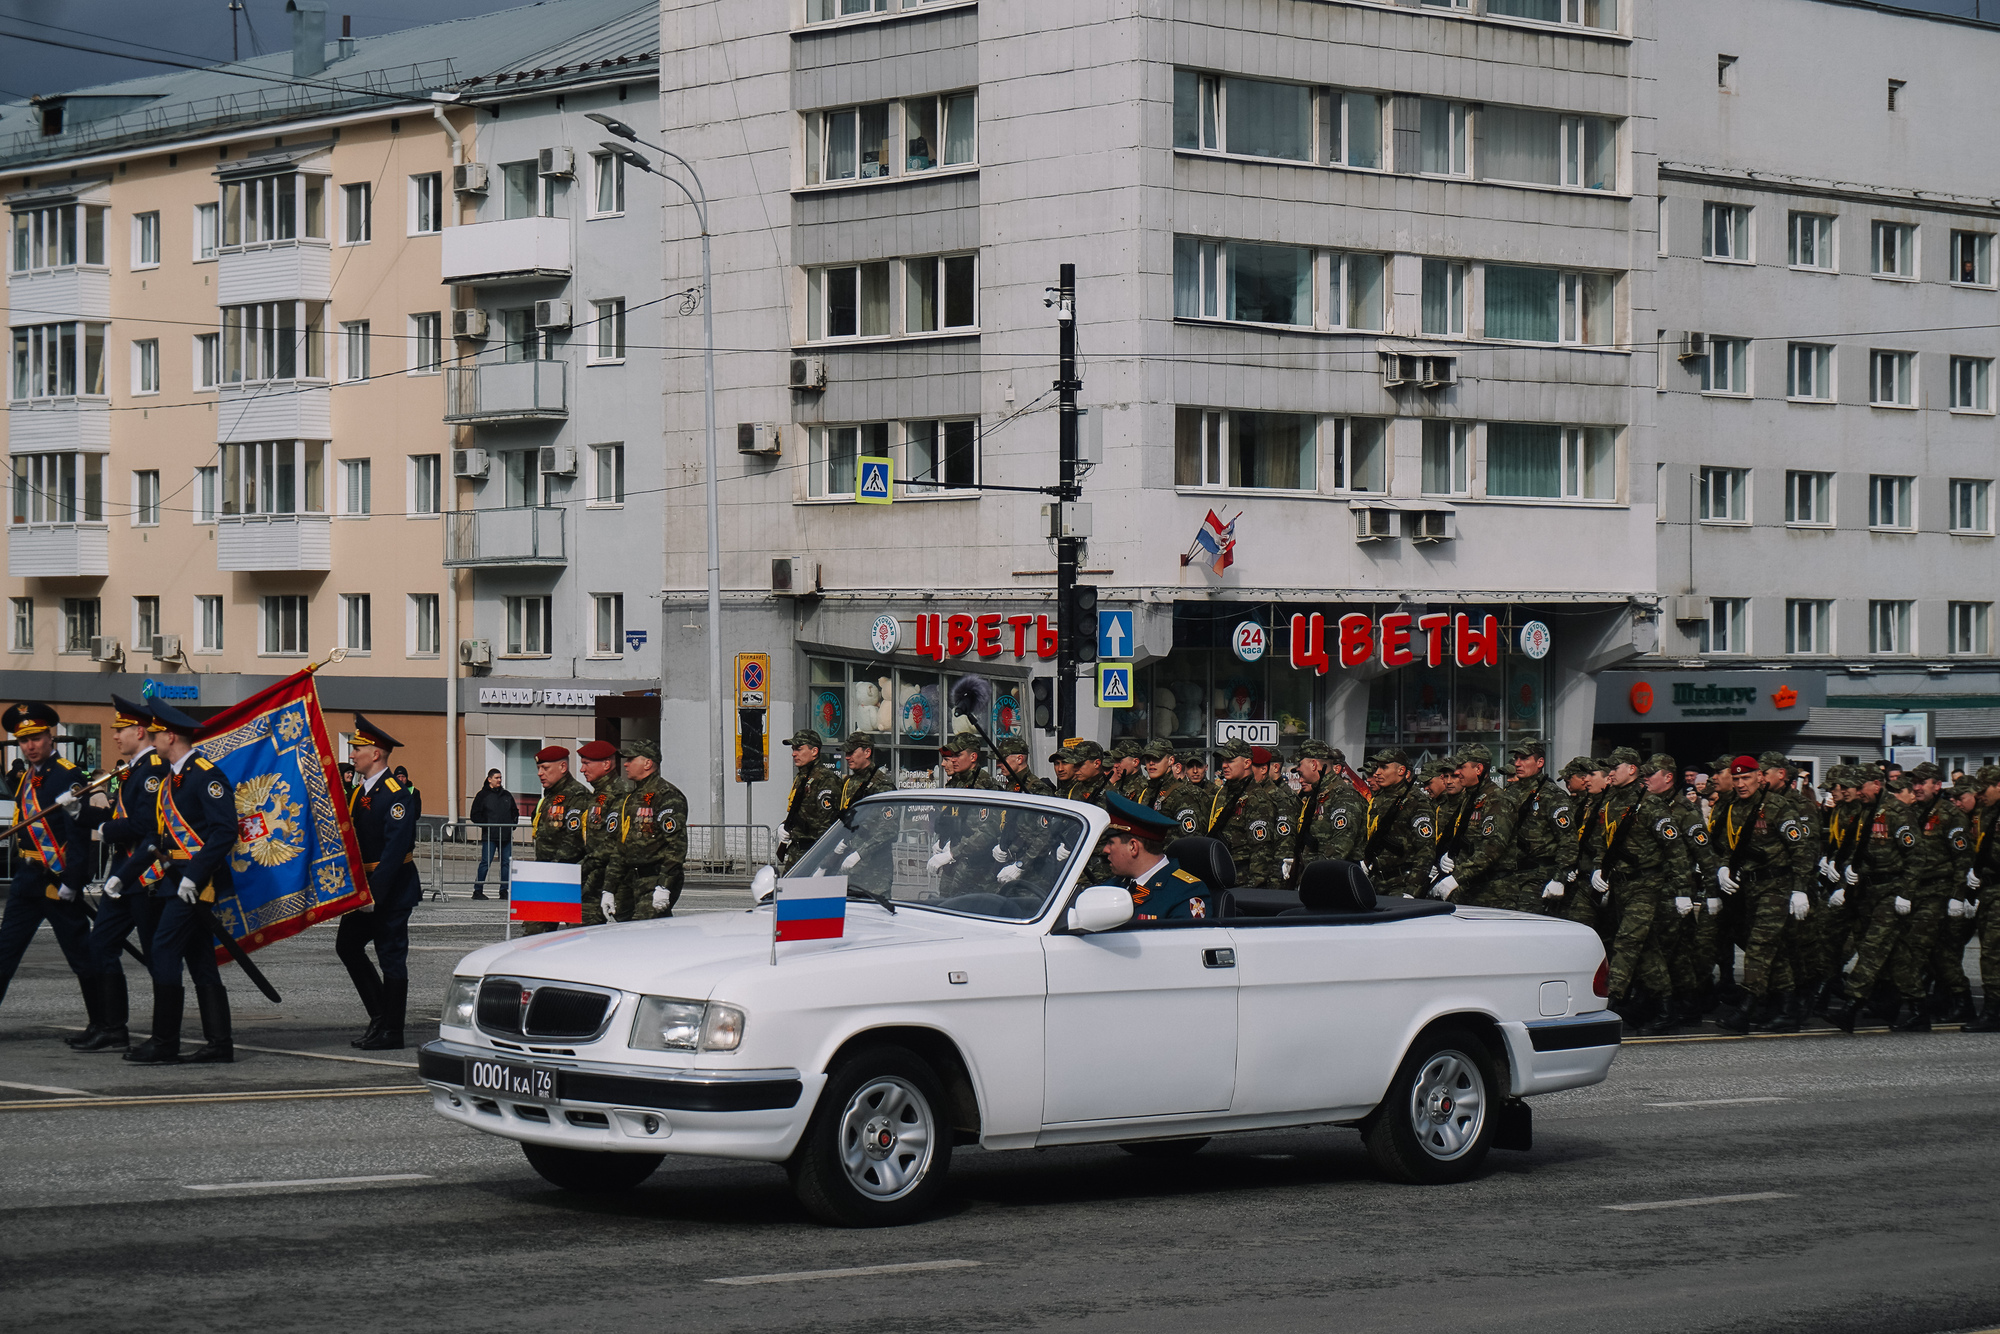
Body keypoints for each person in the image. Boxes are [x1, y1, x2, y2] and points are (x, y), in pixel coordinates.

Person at [112, 698, 236, 1065]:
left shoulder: (205, 774)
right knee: (200, 960)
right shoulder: (172, 779)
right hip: (174, 879)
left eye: (155, 734)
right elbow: (160, 839)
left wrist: (196, 875)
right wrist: (125, 875)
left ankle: (165, 1041)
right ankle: (219, 1043)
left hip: (196, 883)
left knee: (163, 951)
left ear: (169, 736)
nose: (151, 739)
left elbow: (224, 831)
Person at [64, 695, 169, 1052]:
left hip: (146, 875)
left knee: (159, 957)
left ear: (139, 731)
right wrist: (80, 812)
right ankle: (112, 1027)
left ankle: (163, 1034)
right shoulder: (133, 769)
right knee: (101, 944)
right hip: (124, 874)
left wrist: (106, 830)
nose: (114, 737)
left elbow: (145, 824)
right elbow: (117, 817)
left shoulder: (153, 768)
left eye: (119, 730)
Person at [0, 702, 94, 1021]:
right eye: (24, 740)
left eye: (36, 738)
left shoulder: (68, 775)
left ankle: (105, 1025)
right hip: (28, 878)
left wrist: (73, 881)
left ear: (50, 737)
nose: (30, 746)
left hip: (57, 879)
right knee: (4, 951)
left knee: (81, 954)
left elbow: (78, 834)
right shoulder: (28, 777)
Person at [336, 715, 422, 1050]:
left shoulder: (396, 794)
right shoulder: (359, 793)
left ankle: (392, 1031)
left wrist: (374, 892)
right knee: (347, 946)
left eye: (358, 748)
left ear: (376, 754)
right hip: (365, 886)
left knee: (391, 955)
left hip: (392, 888)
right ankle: (379, 1016)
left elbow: (395, 848)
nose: (352, 753)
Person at [1102, 791, 1210, 920]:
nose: (1105, 850)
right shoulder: (1114, 886)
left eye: (1110, 843)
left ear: (1133, 847)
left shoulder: (1185, 892)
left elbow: (1184, 939)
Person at [612, 740, 688, 919]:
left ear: (647, 763)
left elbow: (676, 845)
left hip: (654, 877)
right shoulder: (632, 797)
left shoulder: (666, 795)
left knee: (647, 930)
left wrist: (664, 885)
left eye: (631, 759)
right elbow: (622, 844)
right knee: (625, 930)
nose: (625, 764)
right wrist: (610, 886)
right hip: (631, 877)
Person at [525, 746, 591, 936]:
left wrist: (552, 870)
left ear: (563, 767)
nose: (540, 773)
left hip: (570, 877)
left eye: (545, 768)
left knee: (577, 938)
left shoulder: (577, 795)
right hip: (548, 876)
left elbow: (574, 840)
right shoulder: (549, 796)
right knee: (534, 936)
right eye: (538, 768)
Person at [1359, 749, 1438, 899]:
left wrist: (1412, 890)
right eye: (1377, 767)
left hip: (1401, 882)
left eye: (1384, 767)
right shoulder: (1379, 798)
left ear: (1401, 770)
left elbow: (1425, 851)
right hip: (1376, 881)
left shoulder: (1415, 801)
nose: (1377, 773)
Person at [576, 739, 631, 926]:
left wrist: (583, 866)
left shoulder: (619, 793)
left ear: (606, 764)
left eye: (586, 763)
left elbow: (615, 841)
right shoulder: (598, 794)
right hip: (594, 878)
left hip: (614, 879)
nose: (582, 769)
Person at [778, 730, 839, 872]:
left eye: (799, 749)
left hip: (813, 852)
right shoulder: (802, 777)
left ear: (814, 751)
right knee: (787, 892)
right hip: (796, 851)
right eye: (793, 749)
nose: (794, 754)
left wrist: (824, 861)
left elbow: (828, 823)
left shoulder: (825, 779)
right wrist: (784, 826)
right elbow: (798, 811)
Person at [469, 769, 518, 900]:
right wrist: (486, 824)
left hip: (506, 836)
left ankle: (504, 890)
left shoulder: (506, 795)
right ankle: (478, 890)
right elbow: (474, 814)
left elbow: (514, 811)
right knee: (485, 863)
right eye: (496, 778)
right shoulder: (482, 795)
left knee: (506, 864)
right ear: (489, 779)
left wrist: (513, 824)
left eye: (500, 777)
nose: (499, 780)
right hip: (490, 835)